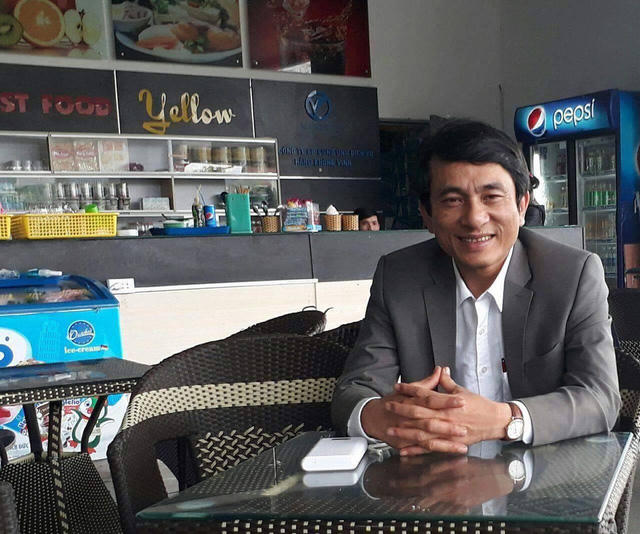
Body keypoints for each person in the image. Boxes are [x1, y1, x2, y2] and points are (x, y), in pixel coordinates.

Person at [331, 119, 619, 456]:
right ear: (427, 214)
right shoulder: (398, 277)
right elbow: (355, 389)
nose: (474, 218)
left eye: (491, 197)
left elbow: (600, 398)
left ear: (522, 205)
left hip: (547, 474)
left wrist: (505, 420)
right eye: (453, 200)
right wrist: (384, 417)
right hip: (433, 477)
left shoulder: (572, 275)